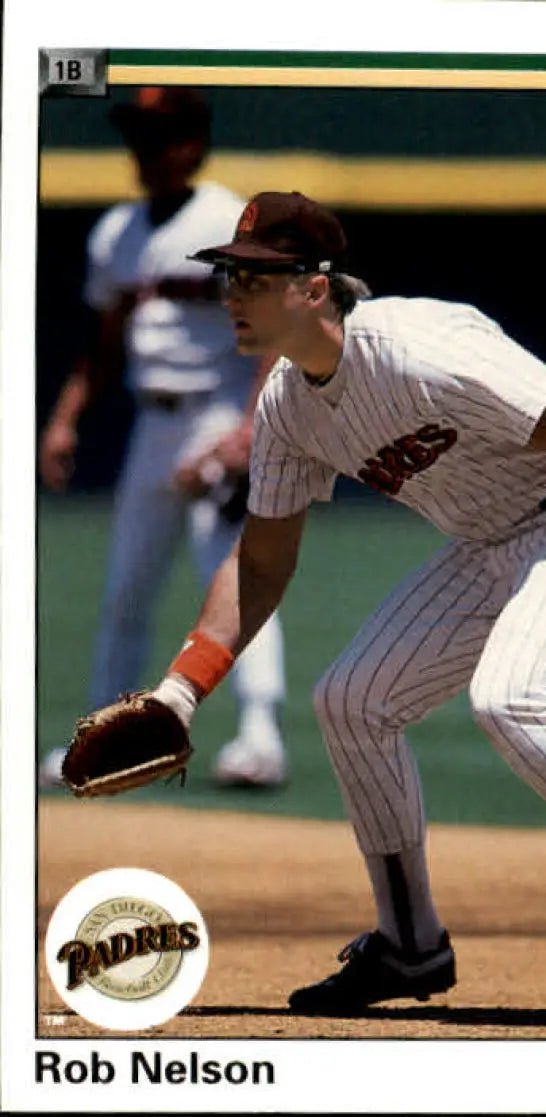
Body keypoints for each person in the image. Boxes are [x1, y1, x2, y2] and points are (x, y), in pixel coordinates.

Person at [134, 190, 546, 1026]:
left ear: (314, 287)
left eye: (254, 277)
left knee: (513, 696)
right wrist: (183, 687)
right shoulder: (285, 407)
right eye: (230, 274)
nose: (232, 292)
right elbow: (263, 561)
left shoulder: (416, 345)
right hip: (491, 544)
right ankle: (409, 942)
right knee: (350, 700)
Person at [38, 89, 288, 789]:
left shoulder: (224, 218)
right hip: (152, 425)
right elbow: (102, 343)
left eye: (159, 136)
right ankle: (100, 739)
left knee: (237, 581)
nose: (143, 152)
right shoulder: (116, 231)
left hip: (216, 414)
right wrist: (65, 418)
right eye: (137, 137)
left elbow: (270, 329)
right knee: (125, 589)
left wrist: (248, 429)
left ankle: (261, 736)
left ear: (191, 144)